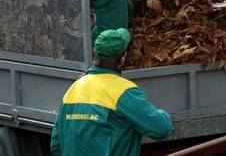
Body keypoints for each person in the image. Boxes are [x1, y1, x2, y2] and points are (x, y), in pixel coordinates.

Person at [51, 28, 173, 156]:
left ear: (95, 54)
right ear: (122, 59)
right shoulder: (124, 92)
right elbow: (162, 129)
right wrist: (162, 115)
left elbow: (56, 144)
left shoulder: (74, 88)